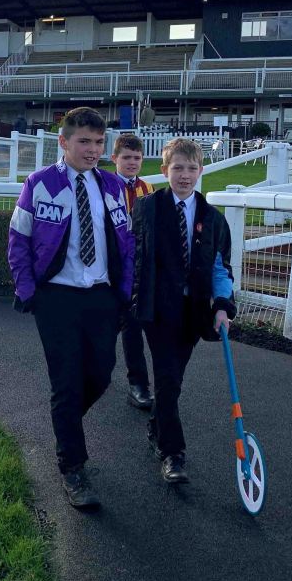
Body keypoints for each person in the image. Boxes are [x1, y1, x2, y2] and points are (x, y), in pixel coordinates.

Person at [8, 107, 134, 510]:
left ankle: (65, 428)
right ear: (63, 142)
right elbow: (18, 241)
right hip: (56, 299)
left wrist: (125, 293)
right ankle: (72, 467)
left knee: (99, 376)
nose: (93, 150)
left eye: (99, 143)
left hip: (101, 296)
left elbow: (126, 247)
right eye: (84, 142)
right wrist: (29, 292)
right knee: (66, 383)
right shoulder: (39, 183)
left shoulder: (114, 186)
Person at [131, 138, 237, 485]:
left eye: (192, 168)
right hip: (157, 310)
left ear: (201, 171)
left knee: (172, 382)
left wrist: (222, 306)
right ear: (165, 171)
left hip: (192, 313)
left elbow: (221, 268)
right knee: (166, 377)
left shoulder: (213, 219)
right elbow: (133, 256)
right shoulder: (147, 209)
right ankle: (173, 453)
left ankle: (156, 426)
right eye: (178, 168)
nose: (185, 175)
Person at [111, 134, 155, 410]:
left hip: (136, 270)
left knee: (132, 325)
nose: (132, 162)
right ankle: (86, 373)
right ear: (114, 158)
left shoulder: (148, 188)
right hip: (106, 269)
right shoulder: (102, 185)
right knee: (99, 327)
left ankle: (138, 384)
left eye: (137, 158)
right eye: (126, 157)